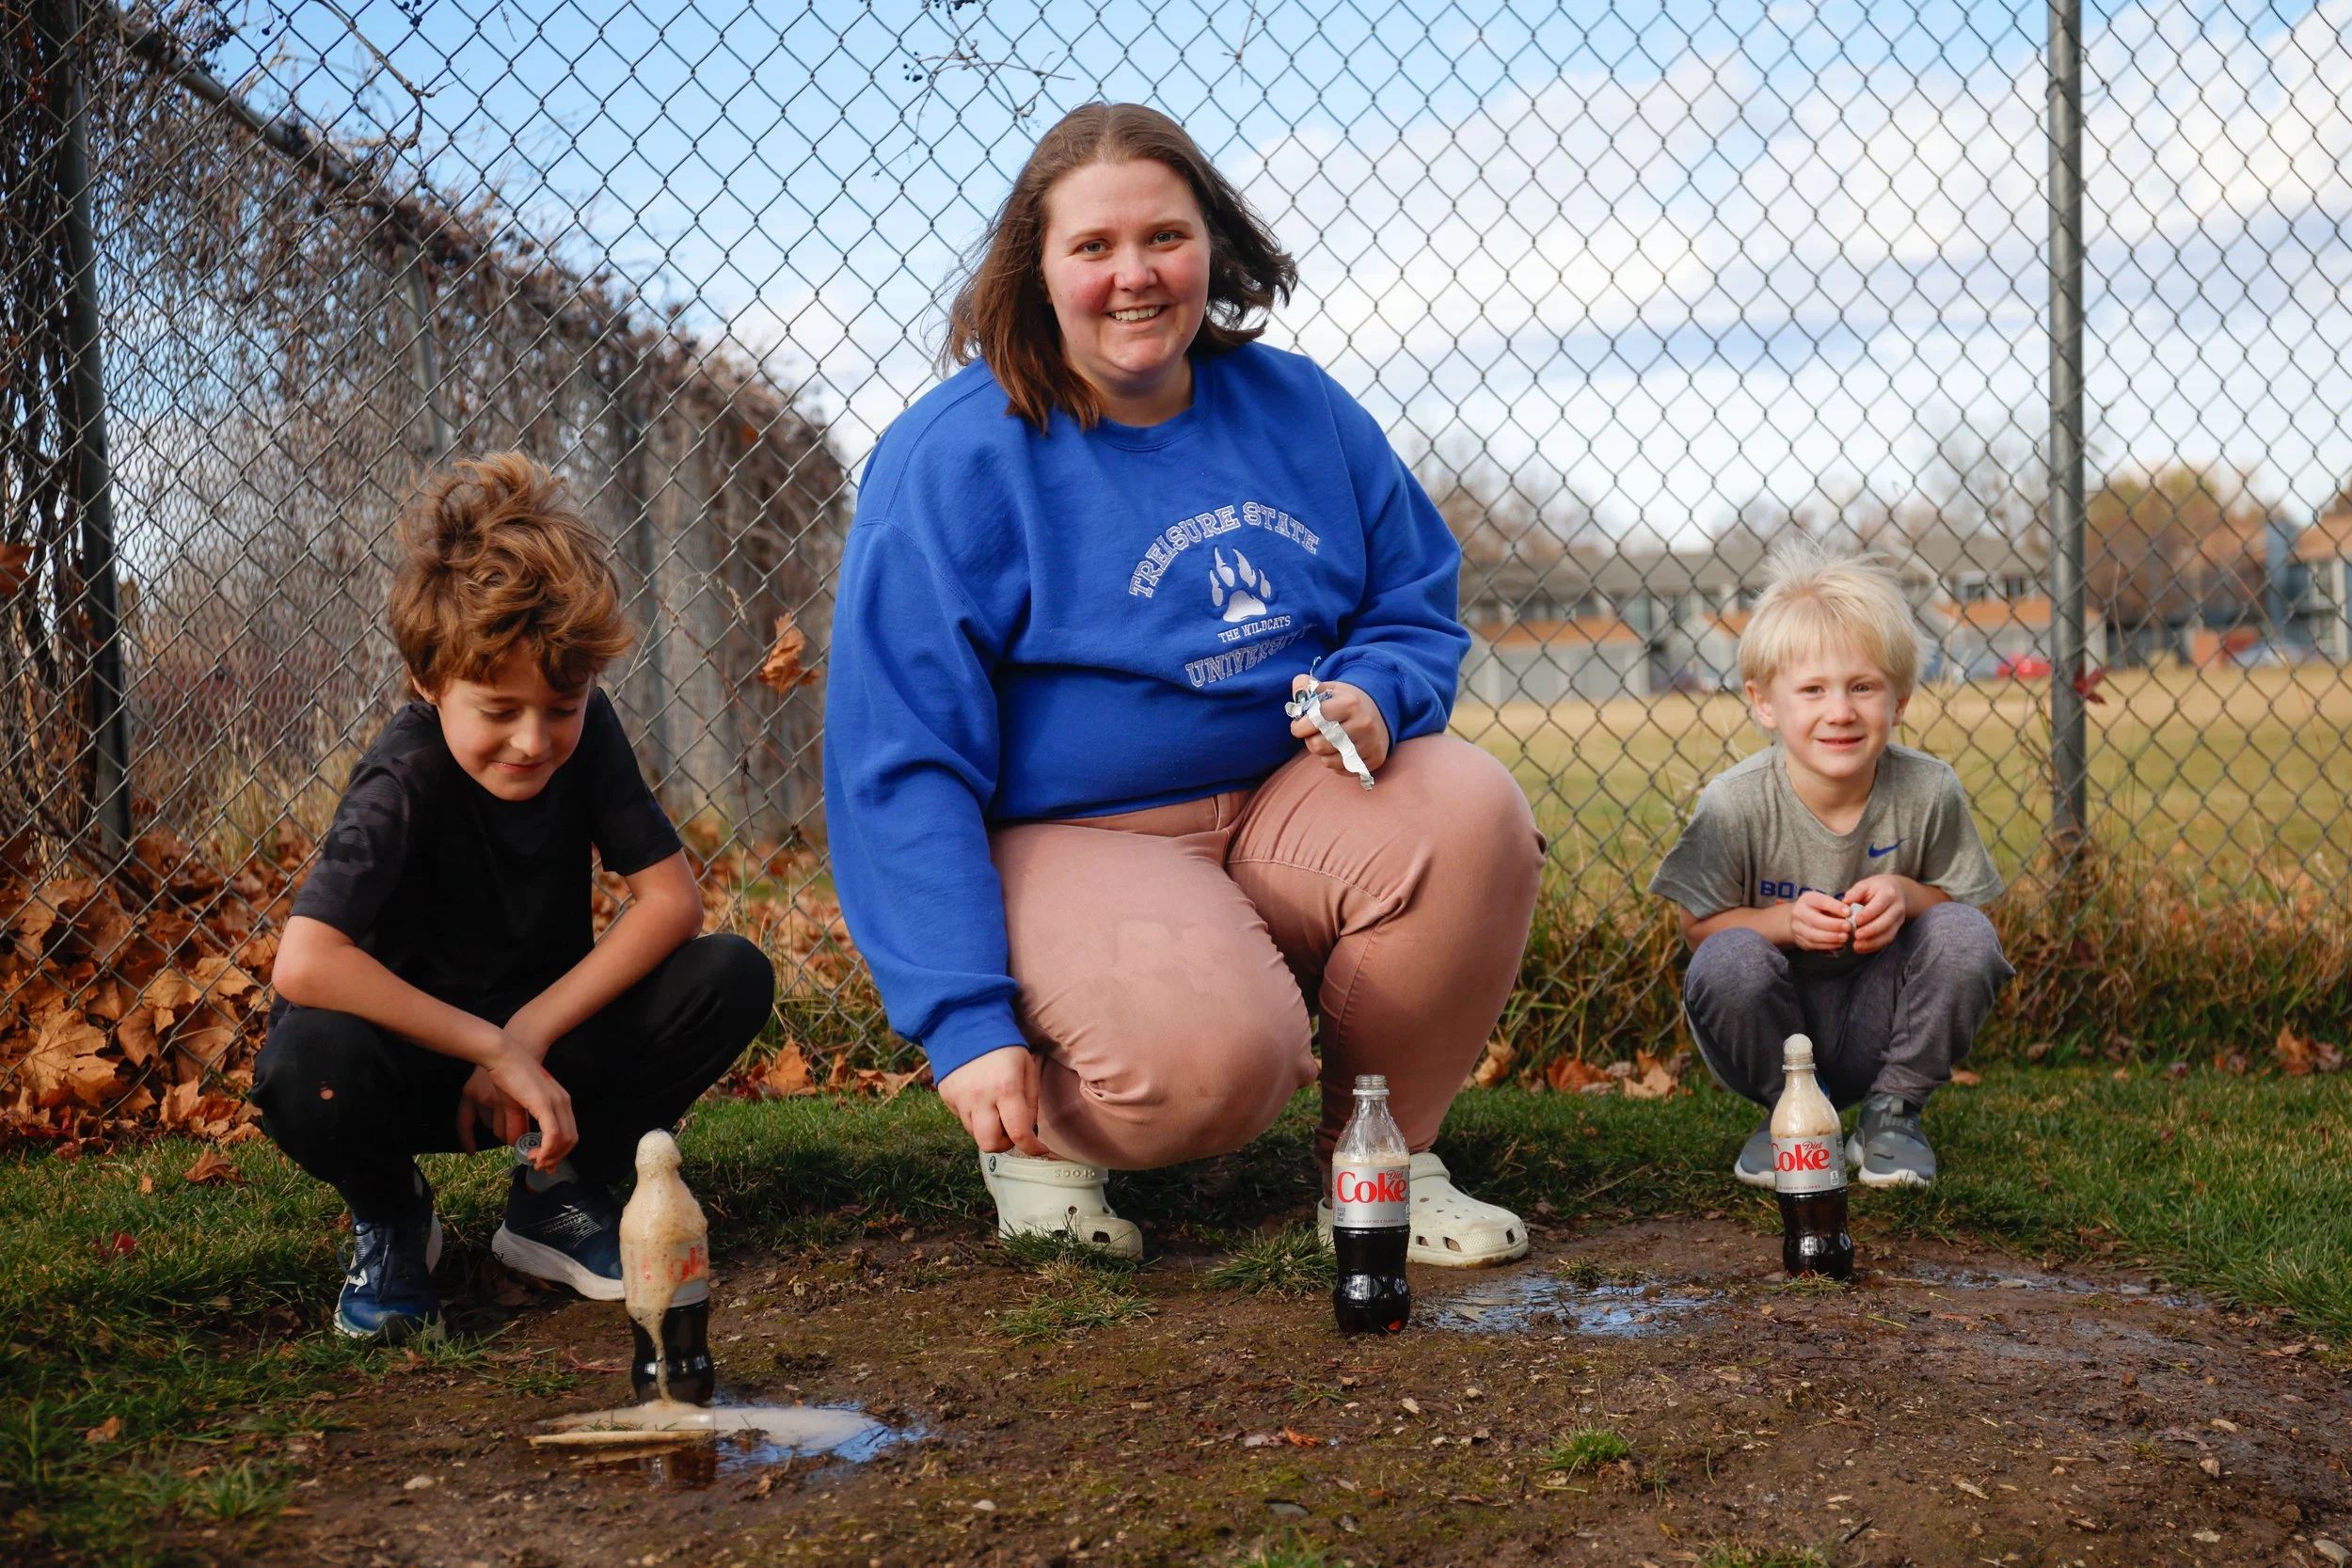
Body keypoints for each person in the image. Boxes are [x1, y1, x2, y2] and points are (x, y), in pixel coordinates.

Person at [824, 103, 1544, 1264]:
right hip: (1074, 838)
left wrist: (1373, 686)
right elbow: (895, 761)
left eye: (1164, 237)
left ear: (1213, 243)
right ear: (1036, 267)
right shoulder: (952, 457)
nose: (1134, 276)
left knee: (1471, 810)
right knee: (1214, 1072)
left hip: (1279, 807)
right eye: (1093, 247)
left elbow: (1412, 600)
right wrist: (963, 1019)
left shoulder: (1298, 405)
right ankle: (1044, 1138)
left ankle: (1381, 1160)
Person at [251, 453, 773, 1342]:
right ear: (430, 681)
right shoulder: (403, 774)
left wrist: (526, 1041)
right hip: (417, 1064)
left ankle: (555, 1194)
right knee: (306, 1064)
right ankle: (393, 1219)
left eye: (562, 706)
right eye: (498, 710)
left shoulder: (587, 728)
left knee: (728, 973)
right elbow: (305, 960)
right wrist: (486, 1048)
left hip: (548, 1057)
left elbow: (670, 903)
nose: (534, 740)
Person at [1651, 539, 2013, 1188]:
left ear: (1899, 700)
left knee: (1968, 938)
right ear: (1765, 703)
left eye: (1863, 686)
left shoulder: (1930, 790)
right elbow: (1698, 929)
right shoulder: (1734, 803)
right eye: (1813, 689)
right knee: (1727, 959)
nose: (1840, 710)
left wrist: (1906, 893)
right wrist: (1786, 921)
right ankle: (1792, 1117)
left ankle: (1893, 1113)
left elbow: (1963, 910)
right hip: (1782, 1022)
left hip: (1886, 1015)